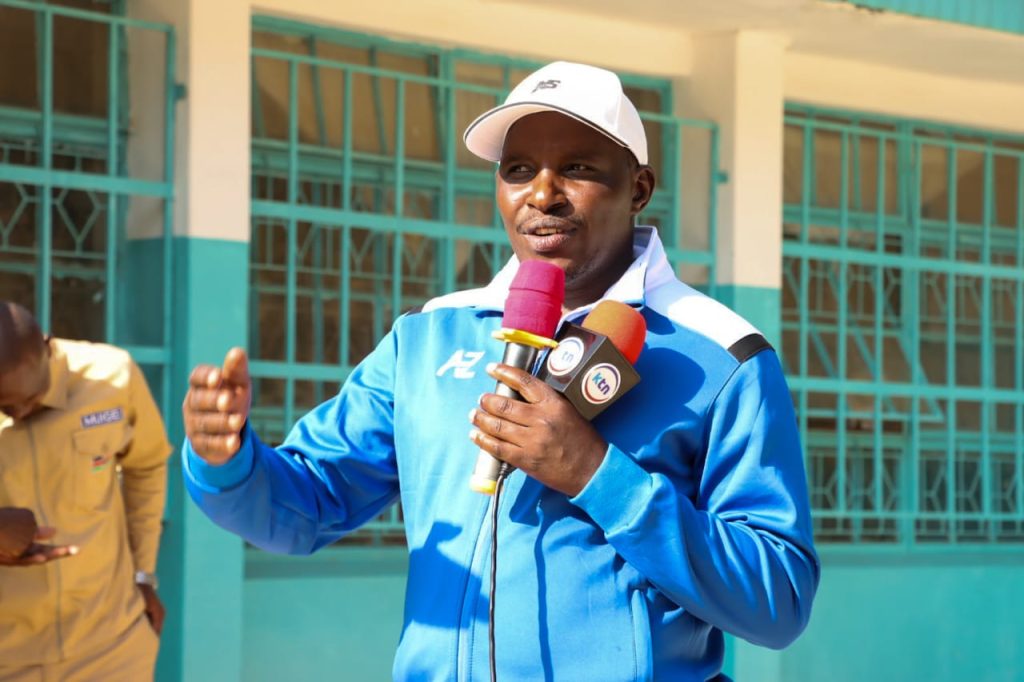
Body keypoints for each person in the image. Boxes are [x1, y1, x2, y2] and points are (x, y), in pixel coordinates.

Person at [183, 61, 820, 680]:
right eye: (518, 170)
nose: (542, 194)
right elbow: (303, 508)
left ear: (639, 189)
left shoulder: (722, 356)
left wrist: (596, 474)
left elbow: (777, 599)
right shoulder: (428, 337)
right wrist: (227, 458)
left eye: (577, 168)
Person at [0, 301, 171, 682]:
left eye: (29, 398)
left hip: (111, 646)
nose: (20, 413)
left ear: (47, 348)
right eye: (4, 407)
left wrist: (144, 573)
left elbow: (147, 465)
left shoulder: (111, 377)